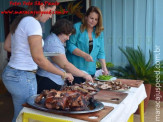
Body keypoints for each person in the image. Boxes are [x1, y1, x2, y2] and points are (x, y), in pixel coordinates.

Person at [2, 1, 73, 122]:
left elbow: (7, 46)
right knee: (26, 117)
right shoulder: (33, 23)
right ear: (41, 7)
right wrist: (64, 74)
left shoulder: (20, 21)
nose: (51, 16)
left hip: (10, 74)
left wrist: (26, 52)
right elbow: (39, 59)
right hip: (23, 76)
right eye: (50, 12)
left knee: (20, 115)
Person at [36, 19, 93, 93]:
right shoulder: (54, 43)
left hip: (53, 80)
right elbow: (65, 65)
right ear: (60, 32)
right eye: (67, 35)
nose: (68, 38)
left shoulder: (56, 41)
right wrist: (84, 75)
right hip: (47, 80)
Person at [66, 6, 109, 84]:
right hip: (75, 70)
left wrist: (104, 68)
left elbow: (101, 52)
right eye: (91, 18)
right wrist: (84, 55)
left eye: (96, 19)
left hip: (90, 71)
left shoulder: (99, 32)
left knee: (88, 93)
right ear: (86, 17)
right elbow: (70, 45)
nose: (93, 21)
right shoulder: (77, 27)